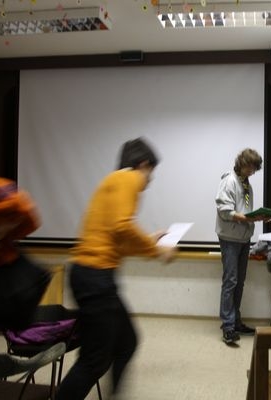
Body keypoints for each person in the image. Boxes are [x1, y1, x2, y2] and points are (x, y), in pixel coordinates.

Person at [56, 137, 177, 400]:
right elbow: (122, 227)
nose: (151, 179)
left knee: (126, 342)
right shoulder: (129, 178)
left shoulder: (115, 181)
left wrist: (152, 242)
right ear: (143, 164)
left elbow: (118, 239)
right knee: (94, 360)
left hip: (91, 275)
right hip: (94, 276)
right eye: (152, 171)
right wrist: (157, 250)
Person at [215, 148, 267, 345]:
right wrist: (248, 218)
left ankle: (236, 321)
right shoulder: (229, 181)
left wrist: (258, 217)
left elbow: (244, 210)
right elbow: (224, 211)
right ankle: (228, 327)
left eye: (255, 168)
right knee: (230, 281)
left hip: (244, 238)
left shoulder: (246, 184)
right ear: (242, 163)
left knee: (239, 282)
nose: (253, 171)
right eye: (251, 167)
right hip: (230, 238)